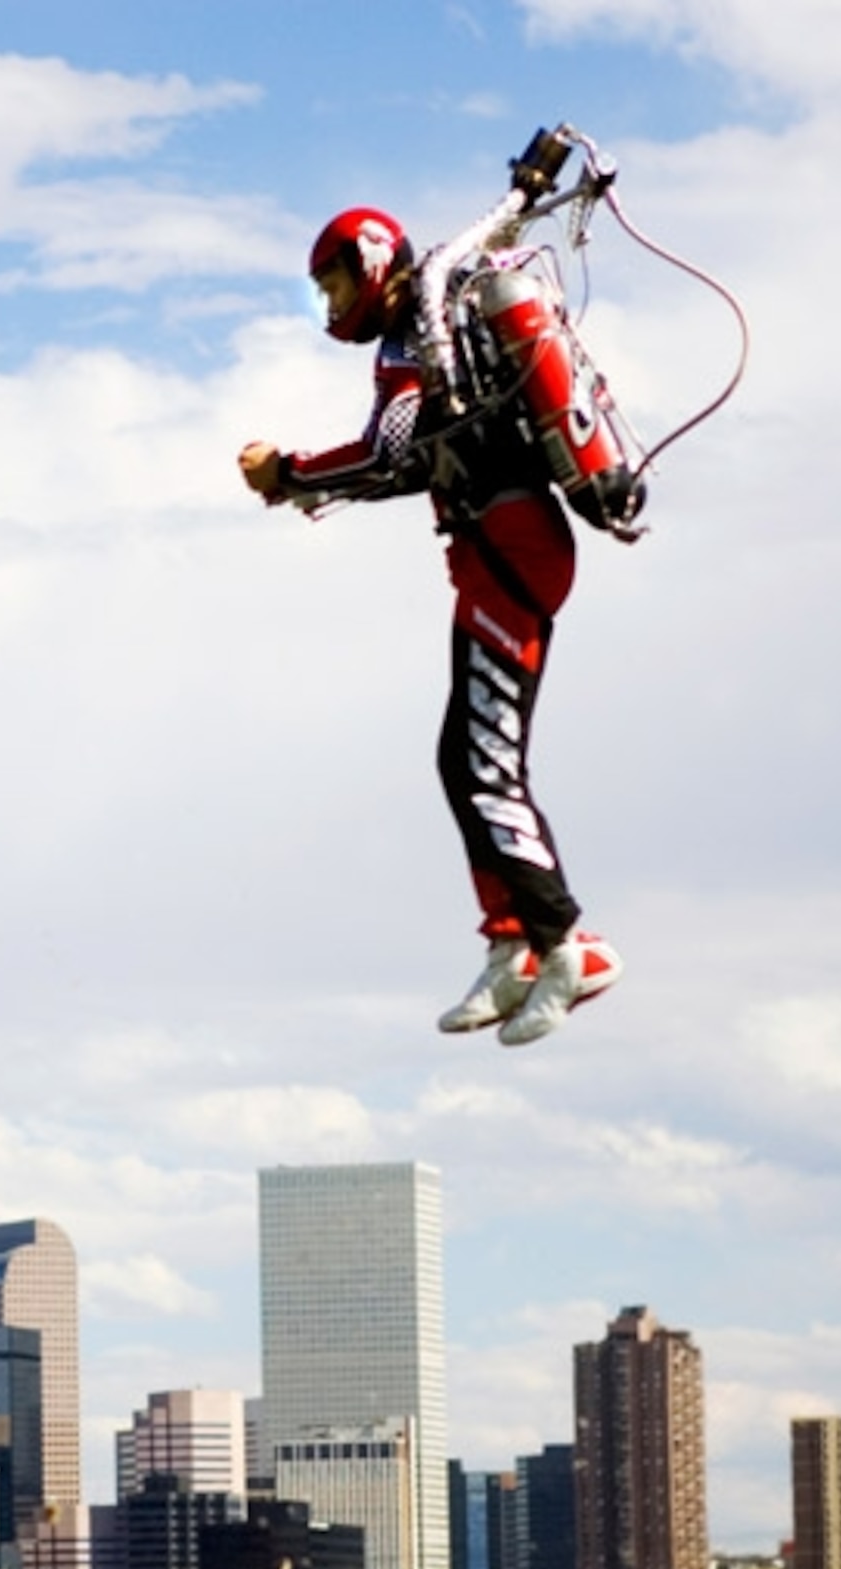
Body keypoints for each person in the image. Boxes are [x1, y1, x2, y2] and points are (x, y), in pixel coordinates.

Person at [238, 204, 629, 1047]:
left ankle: (570, 946)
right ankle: (512, 945)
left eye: (332, 284)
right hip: (497, 546)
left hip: (510, 545)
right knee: (463, 759)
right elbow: (412, 461)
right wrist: (307, 489)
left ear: (370, 265)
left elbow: (388, 448)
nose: (329, 304)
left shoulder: (415, 338)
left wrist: (291, 470)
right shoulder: (424, 332)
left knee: (486, 764)